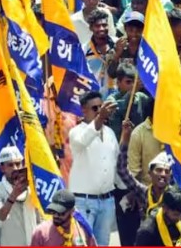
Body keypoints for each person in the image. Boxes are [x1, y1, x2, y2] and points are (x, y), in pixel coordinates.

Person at [68, 91, 119, 246]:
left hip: (107, 201)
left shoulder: (110, 133)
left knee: (102, 244)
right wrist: (100, 118)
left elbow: (116, 163)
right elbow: (83, 140)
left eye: (101, 107)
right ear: (84, 110)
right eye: (95, 108)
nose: (99, 111)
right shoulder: (76, 132)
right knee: (82, 244)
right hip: (84, 202)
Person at [0, 146, 39, 246]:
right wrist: (13, 196)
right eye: (10, 165)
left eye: (18, 164)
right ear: (2, 168)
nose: (15, 168)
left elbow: (40, 217)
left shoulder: (31, 187)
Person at [30, 189, 97, 246]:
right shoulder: (41, 233)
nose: (56, 215)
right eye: (53, 211)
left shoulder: (82, 231)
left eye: (60, 213)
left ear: (72, 211)